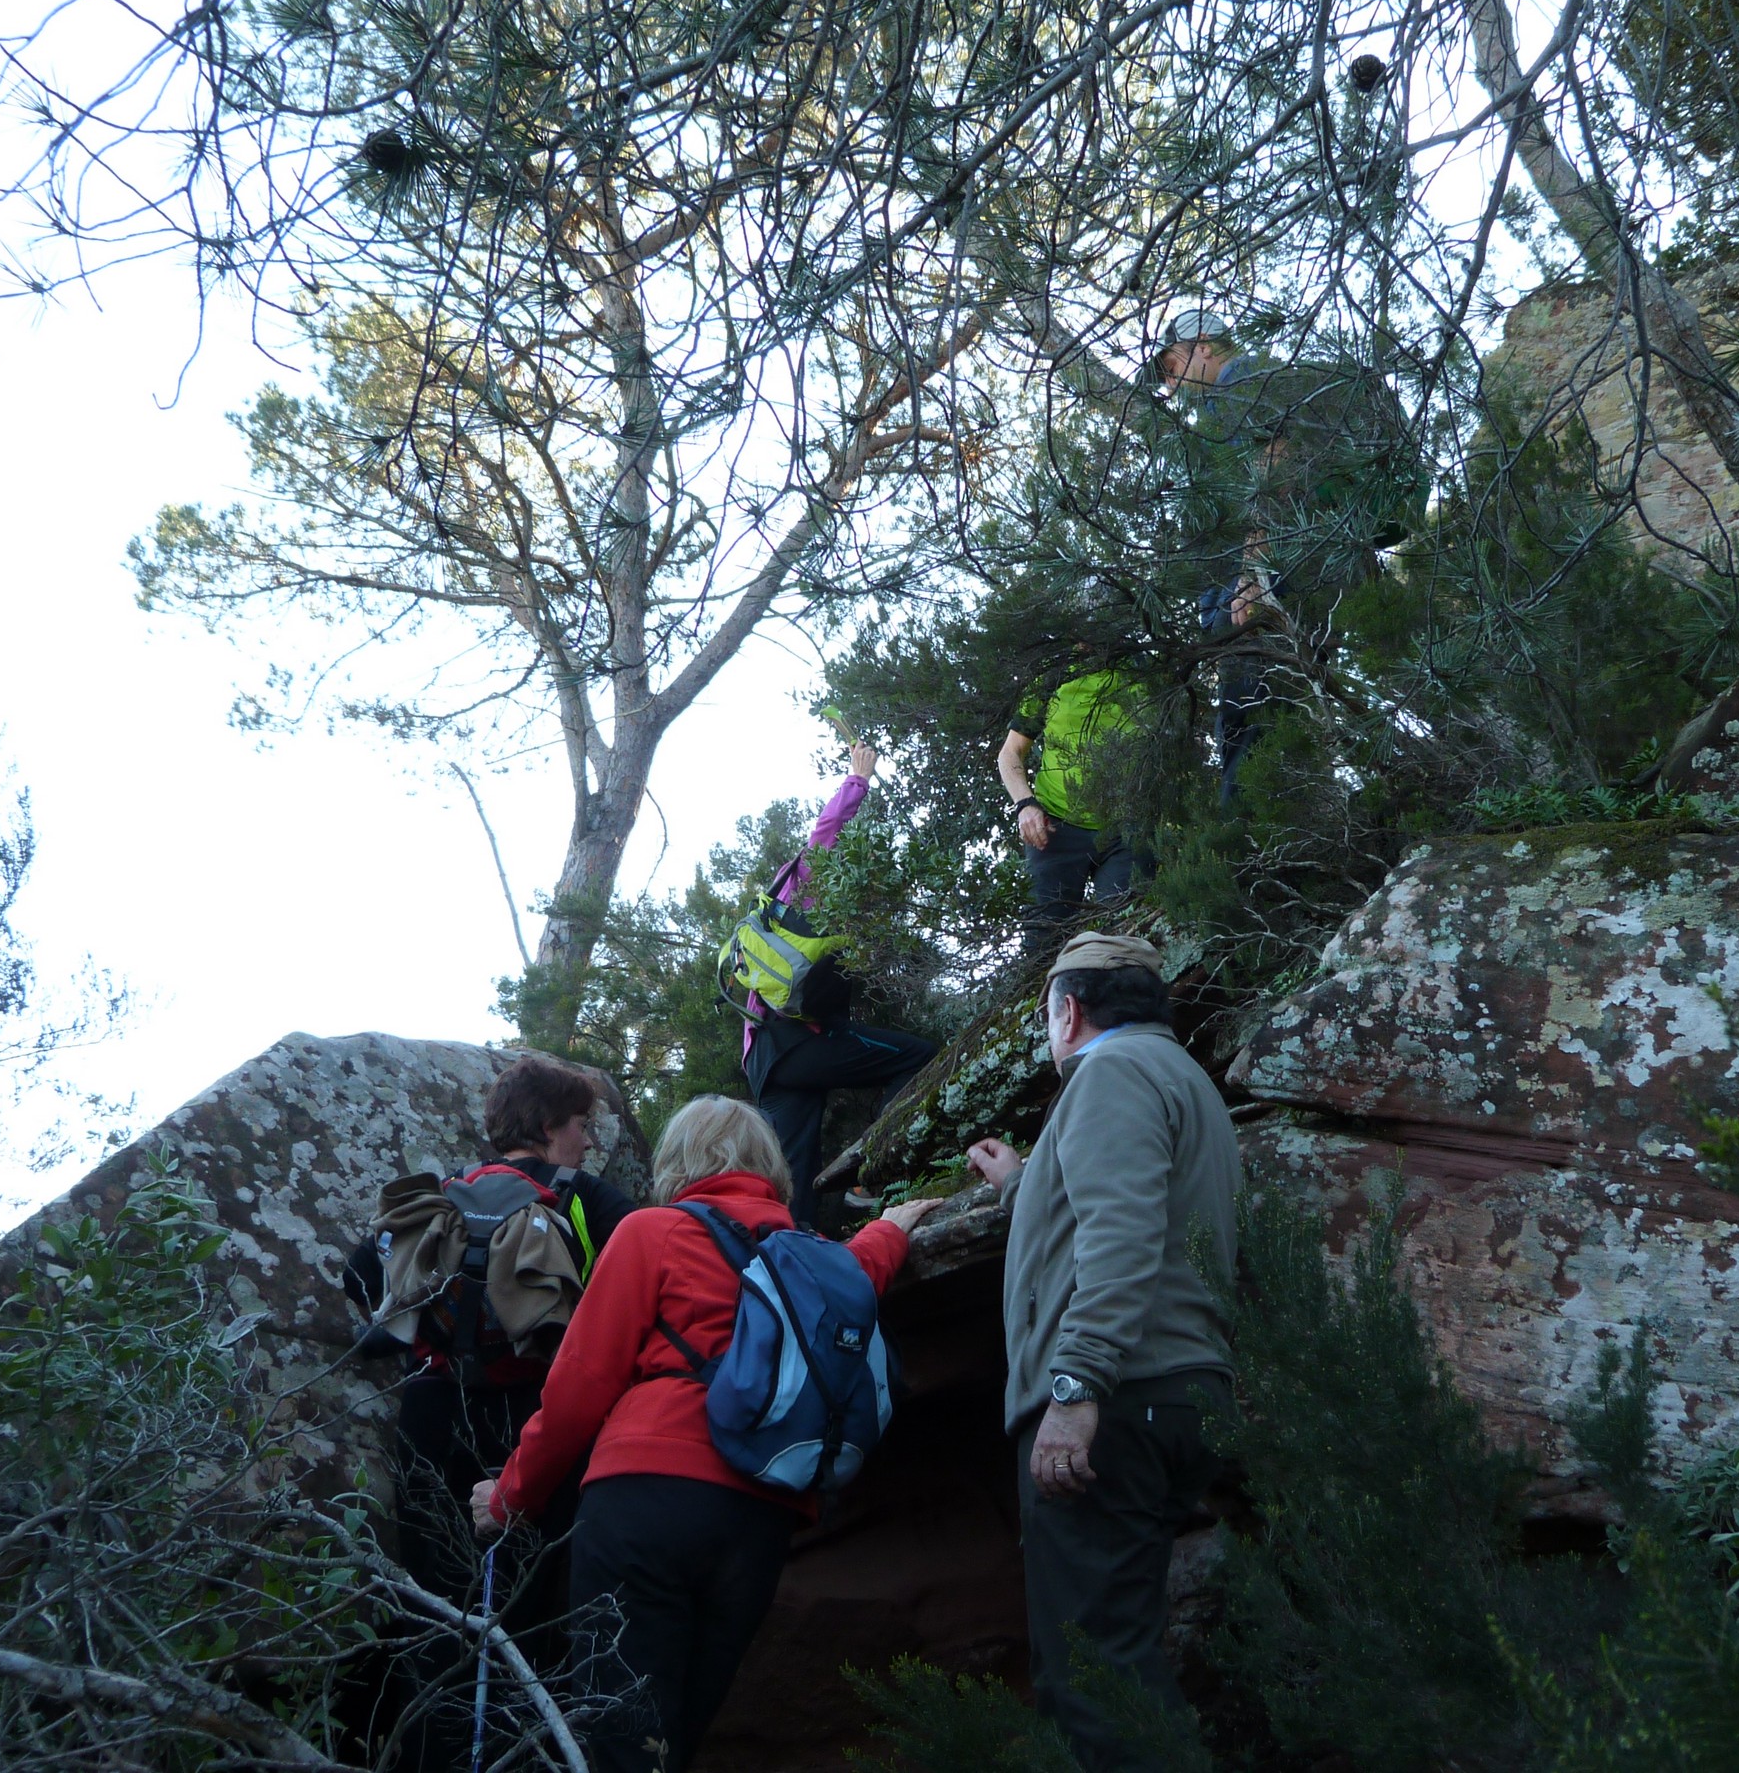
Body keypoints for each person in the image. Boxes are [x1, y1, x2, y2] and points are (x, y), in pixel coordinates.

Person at [470, 1095, 942, 1773]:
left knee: (622, 1736)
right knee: (678, 1736)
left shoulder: (652, 1231)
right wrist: (891, 1229)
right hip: (759, 1515)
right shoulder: (812, 1257)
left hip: (644, 1501)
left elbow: (577, 1391)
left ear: (679, 1162)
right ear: (769, 1166)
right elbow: (861, 1269)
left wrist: (508, 1498)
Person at [963, 932, 1241, 1773]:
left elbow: (1121, 1234)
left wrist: (1075, 1386)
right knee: (1119, 1657)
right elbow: (1128, 1205)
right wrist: (1027, 1183)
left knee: (1093, 1679)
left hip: (1119, 1397)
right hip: (1177, 1392)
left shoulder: (1110, 1075)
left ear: (1069, 1009)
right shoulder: (1180, 1079)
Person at [387, 1054, 641, 1769]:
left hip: (431, 1412)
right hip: (534, 1414)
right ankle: (519, 1753)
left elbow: (364, 1276)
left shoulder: (444, 1193)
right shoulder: (584, 1196)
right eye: (581, 1124)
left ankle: (429, 1755)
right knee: (529, 1605)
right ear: (549, 1126)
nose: (588, 1140)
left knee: (435, 1600)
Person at [1149, 307, 1418, 803]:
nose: (1170, 383)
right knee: (1280, 712)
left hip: (1276, 573)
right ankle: (1301, 823)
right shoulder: (1254, 386)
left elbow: (1274, 466)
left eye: (1171, 366)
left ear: (1202, 346)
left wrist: (1254, 573)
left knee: (1253, 720)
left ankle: (1251, 834)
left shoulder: (1243, 383)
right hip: (1308, 566)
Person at [738, 739, 939, 1223]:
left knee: (793, 1167)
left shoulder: (779, 896)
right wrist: (858, 780)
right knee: (918, 1056)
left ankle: (788, 1243)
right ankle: (874, 1177)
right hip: (797, 1041)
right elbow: (826, 831)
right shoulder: (810, 883)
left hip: (761, 1054)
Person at [998, 668, 1152, 954]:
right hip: (1055, 829)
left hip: (1125, 830)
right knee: (1043, 945)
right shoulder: (1052, 675)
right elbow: (1010, 753)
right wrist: (1025, 804)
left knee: (1127, 936)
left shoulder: (1142, 668)